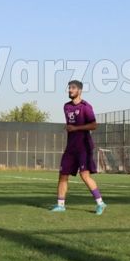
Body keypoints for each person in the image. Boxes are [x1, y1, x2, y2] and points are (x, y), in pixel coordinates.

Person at [50, 80, 106, 215]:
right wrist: (71, 128)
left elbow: (93, 125)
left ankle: (100, 203)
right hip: (71, 147)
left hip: (83, 147)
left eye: (73, 88)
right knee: (63, 175)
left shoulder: (86, 107)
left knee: (84, 175)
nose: (70, 90)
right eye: (69, 88)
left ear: (79, 91)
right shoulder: (66, 107)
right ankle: (60, 205)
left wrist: (75, 128)